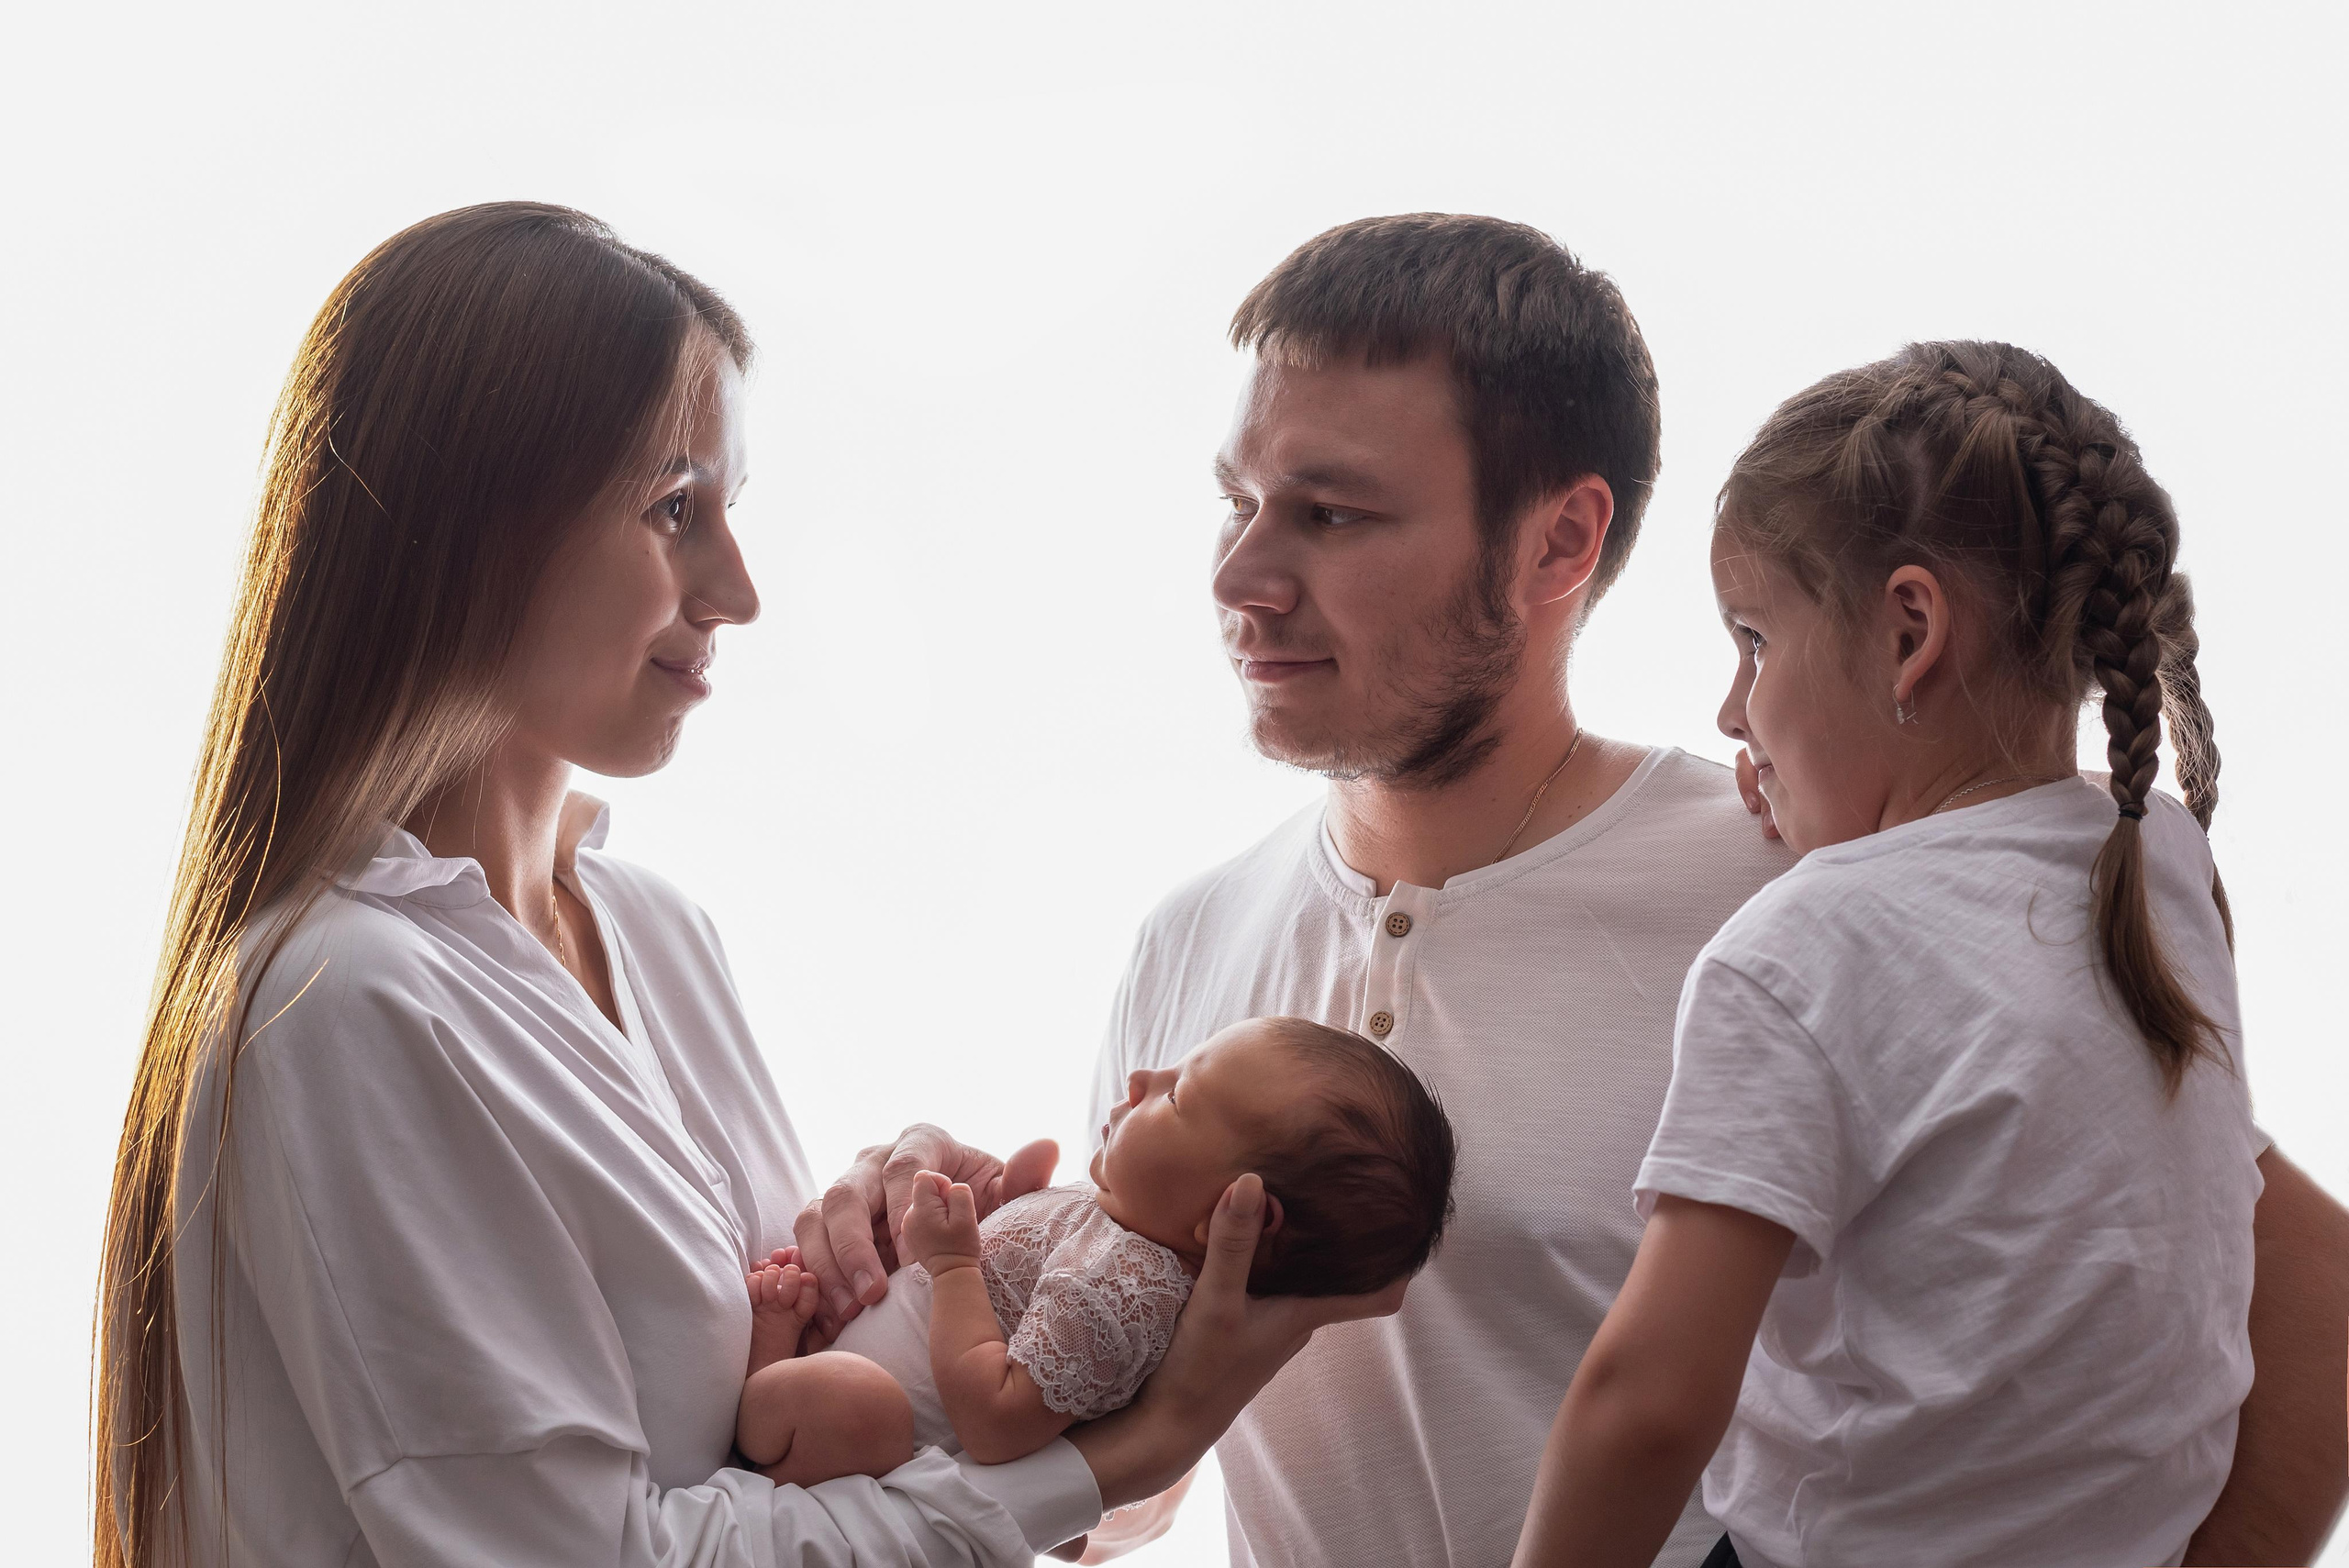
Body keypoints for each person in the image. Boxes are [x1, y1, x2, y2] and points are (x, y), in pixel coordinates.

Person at [963, 214, 2333, 1567]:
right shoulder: (1189, 940)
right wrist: (937, 1283)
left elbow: (2293, 1286)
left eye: (1330, 514)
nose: (1241, 577)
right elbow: (1122, 1474)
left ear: (1561, 544)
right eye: (1237, 504)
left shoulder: (1812, 884)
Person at [91, 202, 1391, 1568]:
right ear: (475, 531)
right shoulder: (341, 1000)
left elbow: (759, 1450)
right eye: (673, 510)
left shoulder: (654, 933)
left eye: (729, 509)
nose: (739, 590)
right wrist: (1115, 1452)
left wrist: (904, 1265)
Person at [1512, 339, 2262, 1568]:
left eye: (1754, 640)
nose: (1729, 711)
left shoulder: (1802, 950)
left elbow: (1645, 1405)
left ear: (1911, 629)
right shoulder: (2158, 860)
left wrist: (1837, 878)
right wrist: (1850, 825)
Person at [736, 1018, 1455, 1480]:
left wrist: (954, 1265)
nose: (1143, 1079)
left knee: (856, 1400)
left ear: (1231, 1211)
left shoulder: (1121, 1283)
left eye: (1176, 1098)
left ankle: (764, 1403)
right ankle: (787, 1365)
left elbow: (994, 1420)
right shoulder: (1110, 1223)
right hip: (848, 1392)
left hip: (848, 1445)